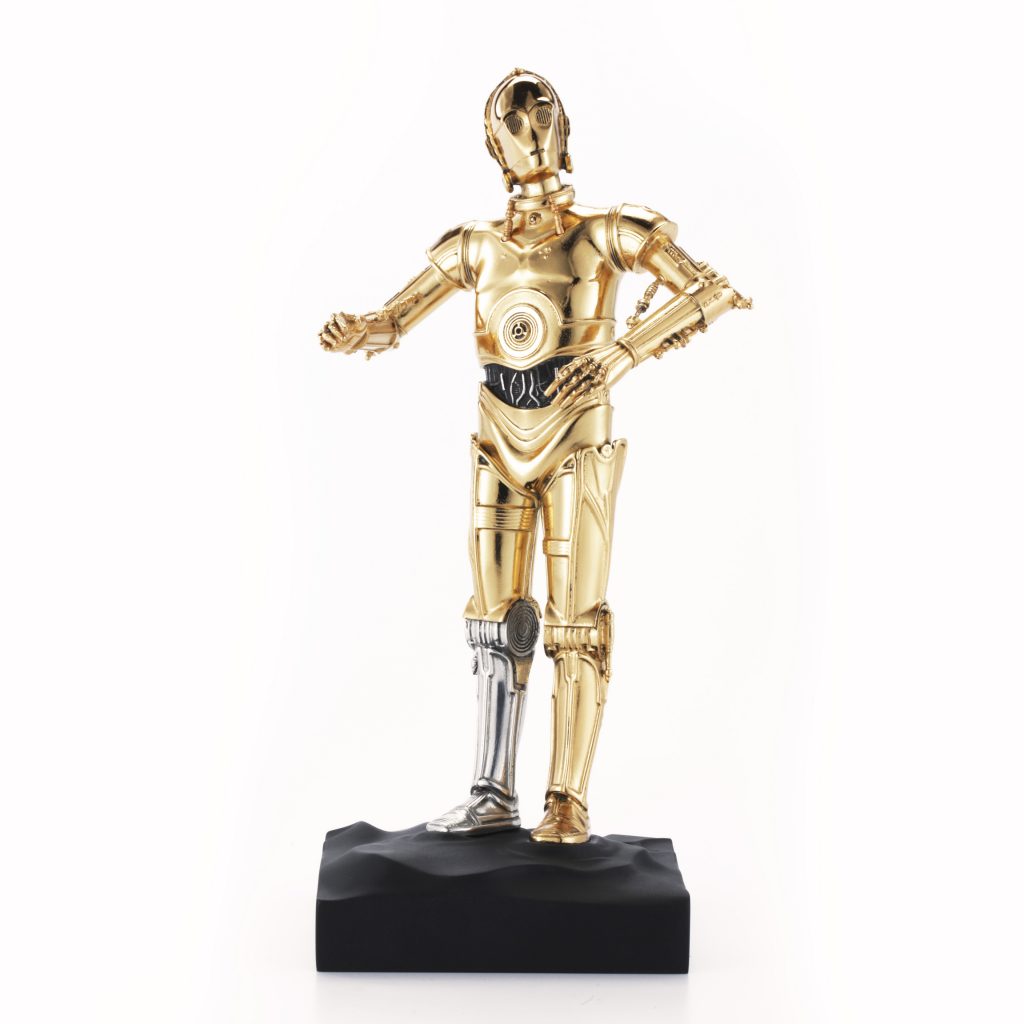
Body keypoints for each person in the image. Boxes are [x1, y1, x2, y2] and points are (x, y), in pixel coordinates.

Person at [320, 68, 749, 843]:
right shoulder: (476, 247)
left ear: (565, 128)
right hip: (497, 434)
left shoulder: (607, 232)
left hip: (576, 435)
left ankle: (566, 799)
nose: (532, 130)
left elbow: (710, 289)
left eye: (542, 111)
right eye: (513, 121)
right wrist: (360, 330)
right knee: (494, 621)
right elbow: (396, 317)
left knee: (575, 625)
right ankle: (492, 792)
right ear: (496, 146)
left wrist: (620, 354)